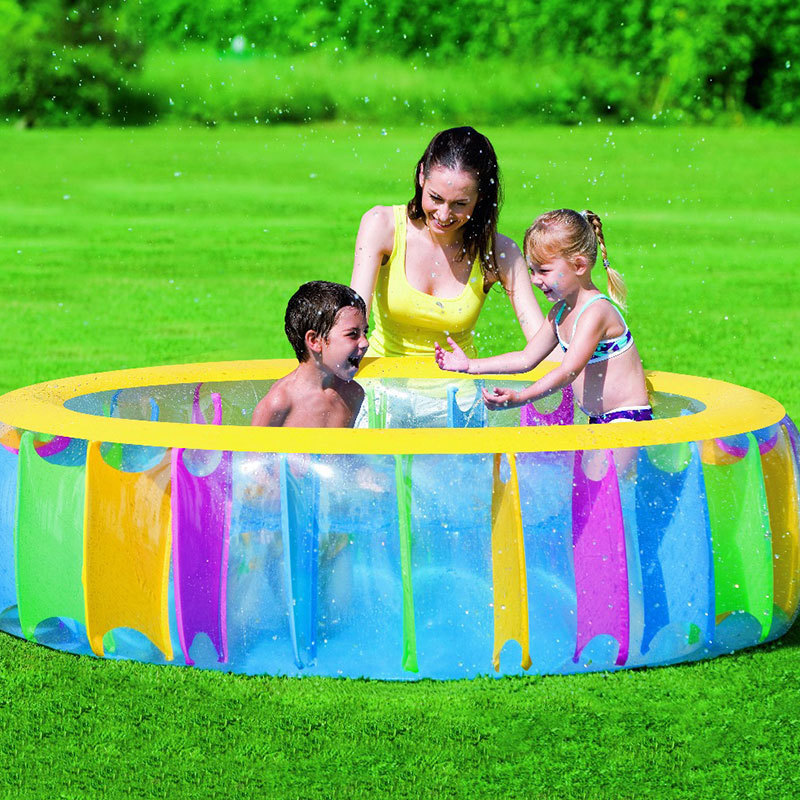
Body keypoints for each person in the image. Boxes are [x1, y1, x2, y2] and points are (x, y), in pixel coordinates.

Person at [435, 209, 651, 424]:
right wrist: (471, 366)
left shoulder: (596, 312)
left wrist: (521, 398)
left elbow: (568, 371)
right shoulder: (559, 314)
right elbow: (526, 358)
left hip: (626, 417)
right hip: (598, 418)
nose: (535, 280)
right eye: (532, 270)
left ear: (579, 265)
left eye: (544, 271)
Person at [350, 126, 547, 358]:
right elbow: (350, 326)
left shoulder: (498, 252)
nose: (443, 215)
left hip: (459, 390)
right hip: (381, 383)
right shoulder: (382, 226)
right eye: (436, 198)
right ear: (422, 175)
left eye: (460, 204)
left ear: (481, 195)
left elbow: (541, 344)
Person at [252, 281, 369, 428]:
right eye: (352, 334)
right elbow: (253, 451)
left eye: (365, 332)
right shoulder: (280, 401)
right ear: (314, 341)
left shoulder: (353, 394)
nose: (365, 342)